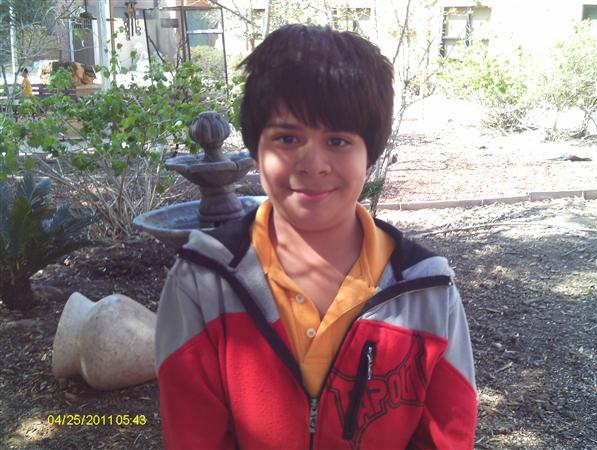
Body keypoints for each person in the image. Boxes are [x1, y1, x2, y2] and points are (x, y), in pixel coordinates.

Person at [155, 24, 477, 450]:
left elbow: (447, 434)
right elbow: (193, 435)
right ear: (255, 152)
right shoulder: (202, 282)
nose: (313, 163)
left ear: (369, 157)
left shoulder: (426, 290)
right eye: (288, 138)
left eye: (338, 140)